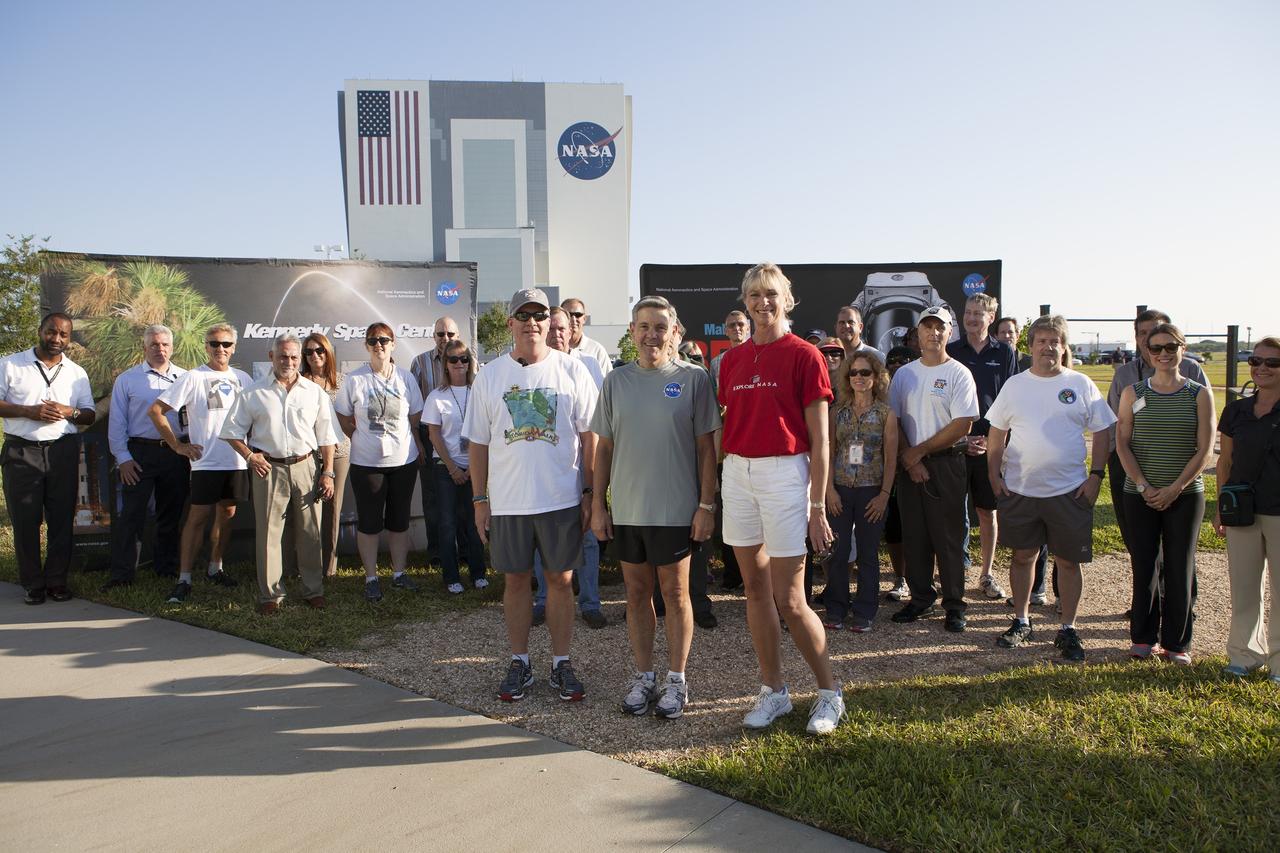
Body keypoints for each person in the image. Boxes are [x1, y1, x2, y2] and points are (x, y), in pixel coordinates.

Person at [717, 263, 844, 735]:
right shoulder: (731, 361)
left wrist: (816, 504)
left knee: (790, 599)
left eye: (770, 294)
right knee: (755, 592)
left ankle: (830, 694)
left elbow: (820, 439)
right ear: (745, 301)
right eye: (753, 295)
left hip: (786, 474)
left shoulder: (805, 355)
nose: (761, 303)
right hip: (738, 472)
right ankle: (775, 691)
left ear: (785, 299)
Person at [464, 288, 599, 702]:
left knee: (561, 581)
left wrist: (591, 493)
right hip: (508, 501)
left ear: (548, 321)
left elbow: (590, 436)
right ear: (510, 324)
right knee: (517, 581)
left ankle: (561, 663)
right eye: (522, 315)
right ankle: (520, 661)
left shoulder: (572, 370)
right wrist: (480, 500)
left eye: (539, 315)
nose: (531, 322)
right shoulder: (490, 375)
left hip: (560, 498)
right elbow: (478, 443)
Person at [591, 295, 721, 718]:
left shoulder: (694, 379)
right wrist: (598, 504)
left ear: (674, 332)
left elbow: (707, 449)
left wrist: (706, 505)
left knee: (677, 594)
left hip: (676, 511)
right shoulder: (616, 381)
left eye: (660, 327)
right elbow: (604, 449)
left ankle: (677, 680)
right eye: (643, 326)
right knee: (636, 594)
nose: (651, 334)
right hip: (628, 510)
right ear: (632, 332)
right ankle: (644, 676)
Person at [985, 316, 1116, 662]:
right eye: (1041, 341)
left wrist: (1096, 477)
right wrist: (994, 474)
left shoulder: (1081, 383)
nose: (1048, 347)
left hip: (1070, 491)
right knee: (1023, 556)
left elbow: (1103, 430)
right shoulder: (1015, 385)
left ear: (1063, 346)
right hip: (1021, 490)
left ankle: (1068, 628)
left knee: (1068, 562)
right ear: (1031, 347)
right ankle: (1022, 620)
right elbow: (996, 433)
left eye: (1054, 341)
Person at [1116, 323, 1215, 663]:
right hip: (1139, 494)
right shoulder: (1133, 392)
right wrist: (1144, 486)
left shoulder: (1198, 393)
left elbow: (1204, 450)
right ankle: (1142, 639)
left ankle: (1177, 643)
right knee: (1144, 565)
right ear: (1147, 351)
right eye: (1155, 348)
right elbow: (1122, 443)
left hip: (1184, 495)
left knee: (1179, 566)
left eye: (1169, 347)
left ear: (1181, 349)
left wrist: (1175, 488)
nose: (1162, 354)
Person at [221, 333, 338, 614]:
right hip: (268, 469)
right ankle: (270, 595)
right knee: (269, 534)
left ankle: (313, 590)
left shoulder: (315, 393)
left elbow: (327, 437)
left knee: (310, 532)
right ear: (271, 356)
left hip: (306, 467)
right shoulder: (253, 392)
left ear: (300, 359)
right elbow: (231, 432)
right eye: (283, 356)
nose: (289, 361)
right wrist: (250, 456)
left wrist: (328, 472)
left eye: (294, 357)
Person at [889, 307, 979, 632]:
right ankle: (921, 599)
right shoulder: (904, 375)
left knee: (949, 538)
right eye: (927, 327)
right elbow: (894, 421)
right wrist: (908, 458)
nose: (933, 333)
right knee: (915, 537)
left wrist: (920, 452)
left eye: (939, 327)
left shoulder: (958, 373)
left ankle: (955, 604)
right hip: (909, 466)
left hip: (946, 464)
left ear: (950, 332)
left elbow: (963, 424)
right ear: (918, 333)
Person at [148, 324, 250, 603]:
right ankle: (184, 579)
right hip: (205, 462)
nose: (221, 349)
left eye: (226, 344)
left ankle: (215, 568)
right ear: (206, 346)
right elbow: (156, 411)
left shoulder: (243, 378)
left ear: (234, 347)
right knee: (197, 519)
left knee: (227, 514)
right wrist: (177, 446)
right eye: (215, 344)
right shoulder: (193, 377)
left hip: (237, 461)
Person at [0, 313, 95, 605]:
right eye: (51, 332)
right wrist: (30, 411)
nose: (56, 339)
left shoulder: (77, 372)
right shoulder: (10, 364)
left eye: (63, 335)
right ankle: (32, 583)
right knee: (26, 519)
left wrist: (70, 412)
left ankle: (56, 581)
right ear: (40, 331)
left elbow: (89, 414)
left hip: (62, 450)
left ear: (70, 338)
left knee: (61, 519)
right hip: (21, 450)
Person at [334, 323, 426, 601]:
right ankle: (371, 578)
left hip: (403, 461)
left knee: (399, 521)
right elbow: (342, 414)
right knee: (370, 522)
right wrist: (356, 434)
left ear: (393, 344)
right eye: (373, 340)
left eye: (384, 340)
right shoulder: (355, 379)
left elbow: (415, 415)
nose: (379, 345)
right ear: (366, 345)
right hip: (367, 463)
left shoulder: (406, 378)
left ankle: (399, 574)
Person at [1106, 309, 1209, 554]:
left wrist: (1178, 485)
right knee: (1139, 544)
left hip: (1177, 464)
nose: (1150, 338)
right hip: (1129, 463)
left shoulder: (1192, 370)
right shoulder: (1125, 375)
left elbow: (1204, 420)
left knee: (1180, 551)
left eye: (1156, 330)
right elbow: (1113, 422)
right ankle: (1150, 592)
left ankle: (1182, 593)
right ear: (1138, 337)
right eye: (1144, 333)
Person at [530, 307, 606, 628]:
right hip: (541, 472)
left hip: (579, 470)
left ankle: (589, 603)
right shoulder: (530, 369)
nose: (558, 334)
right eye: (553, 329)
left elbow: (595, 427)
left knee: (586, 537)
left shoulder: (582, 368)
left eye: (563, 328)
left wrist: (592, 486)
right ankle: (544, 600)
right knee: (541, 538)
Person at [946, 293, 1018, 602]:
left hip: (990, 444)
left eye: (979, 314)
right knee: (950, 513)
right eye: (968, 313)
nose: (972, 318)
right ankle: (953, 576)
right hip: (953, 444)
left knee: (986, 513)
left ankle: (986, 574)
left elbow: (1011, 399)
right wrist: (959, 438)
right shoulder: (950, 351)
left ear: (991, 318)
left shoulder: (1004, 352)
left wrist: (994, 442)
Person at [1215, 337, 1280, 681]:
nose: (1262, 368)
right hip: (1241, 509)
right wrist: (1219, 506)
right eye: (1256, 361)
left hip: (1279, 510)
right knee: (1243, 588)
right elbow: (1225, 461)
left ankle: (1279, 662)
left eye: (1272, 363)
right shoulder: (1236, 410)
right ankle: (1243, 655)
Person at [105, 324, 189, 587]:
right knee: (131, 515)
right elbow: (116, 422)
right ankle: (122, 574)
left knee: (170, 515)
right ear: (145, 347)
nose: (160, 349)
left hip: (176, 453)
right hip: (139, 453)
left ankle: (165, 569)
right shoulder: (128, 380)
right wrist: (123, 458)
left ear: (172, 347)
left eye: (165, 344)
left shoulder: (186, 378)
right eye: (154, 344)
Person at [822, 352, 897, 632]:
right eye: (854, 373)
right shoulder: (836, 412)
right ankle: (836, 609)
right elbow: (829, 452)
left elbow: (891, 458)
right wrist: (828, 490)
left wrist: (884, 495)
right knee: (838, 552)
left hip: (871, 492)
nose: (859, 378)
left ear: (876, 377)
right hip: (840, 490)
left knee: (867, 554)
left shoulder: (886, 415)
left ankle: (865, 611)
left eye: (865, 373)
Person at [424, 339, 489, 593]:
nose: (460, 364)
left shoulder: (479, 391)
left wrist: (472, 469)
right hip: (444, 468)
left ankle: (478, 573)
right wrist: (452, 468)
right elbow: (434, 435)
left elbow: (485, 431)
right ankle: (451, 576)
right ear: (445, 364)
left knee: (475, 521)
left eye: (464, 359)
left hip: (475, 467)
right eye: (454, 360)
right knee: (447, 523)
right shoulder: (436, 396)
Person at [410, 316, 461, 565]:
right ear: (433, 336)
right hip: (429, 436)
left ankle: (465, 548)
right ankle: (437, 552)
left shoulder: (466, 361)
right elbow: (412, 407)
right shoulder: (419, 363)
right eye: (441, 334)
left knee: (463, 495)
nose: (446, 339)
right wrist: (418, 442)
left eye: (450, 334)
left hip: (461, 437)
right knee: (432, 497)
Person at [301, 332, 350, 577]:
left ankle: (329, 568)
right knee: (306, 510)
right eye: (309, 352)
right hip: (307, 454)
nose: (315, 355)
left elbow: (351, 417)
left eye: (319, 350)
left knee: (333, 509)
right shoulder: (298, 381)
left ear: (328, 352)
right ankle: (306, 565)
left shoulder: (342, 382)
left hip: (339, 454)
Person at [711, 309, 750, 592]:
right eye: (731, 325)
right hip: (728, 446)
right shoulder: (717, 363)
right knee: (730, 516)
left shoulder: (760, 354)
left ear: (747, 327)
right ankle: (733, 574)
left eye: (740, 324)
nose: (736, 328)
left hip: (754, 446)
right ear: (725, 330)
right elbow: (718, 406)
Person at [881, 346, 917, 601]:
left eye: (902, 361)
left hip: (920, 461)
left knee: (921, 527)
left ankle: (921, 581)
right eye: (891, 361)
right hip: (888, 467)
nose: (896, 365)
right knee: (894, 527)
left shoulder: (919, 384)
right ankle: (901, 577)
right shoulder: (878, 391)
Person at [562, 297, 613, 379]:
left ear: (584, 319)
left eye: (578, 315)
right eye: (569, 315)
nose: (573, 319)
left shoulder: (596, 350)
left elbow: (608, 384)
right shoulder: (552, 348)